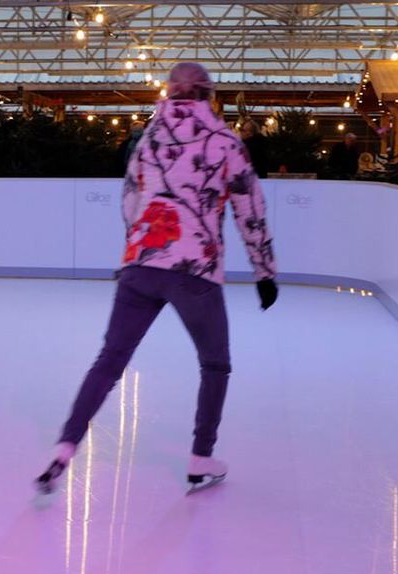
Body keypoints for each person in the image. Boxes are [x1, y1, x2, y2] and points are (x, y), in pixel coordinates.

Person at [36, 62, 278, 495]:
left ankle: (65, 447)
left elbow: (130, 197)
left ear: (170, 93)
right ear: (209, 95)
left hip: (141, 266)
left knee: (110, 360)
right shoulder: (224, 142)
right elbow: (250, 208)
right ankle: (201, 457)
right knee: (215, 364)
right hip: (195, 272)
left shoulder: (149, 137)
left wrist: (139, 244)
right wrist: (264, 272)